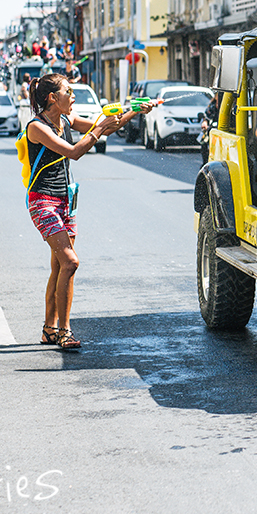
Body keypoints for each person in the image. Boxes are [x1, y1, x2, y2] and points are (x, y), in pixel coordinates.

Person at [25, 73, 152, 349]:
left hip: (65, 200)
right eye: (68, 92)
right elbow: (73, 151)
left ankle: (49, 329)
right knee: (70, 262)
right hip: (42, 201)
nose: (73, 97)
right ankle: (64, 331)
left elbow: (105, 129)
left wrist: (134, 111)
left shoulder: (66, 120)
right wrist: (99, 127)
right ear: (52, 98)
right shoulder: (37, 127)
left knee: (59, 266)